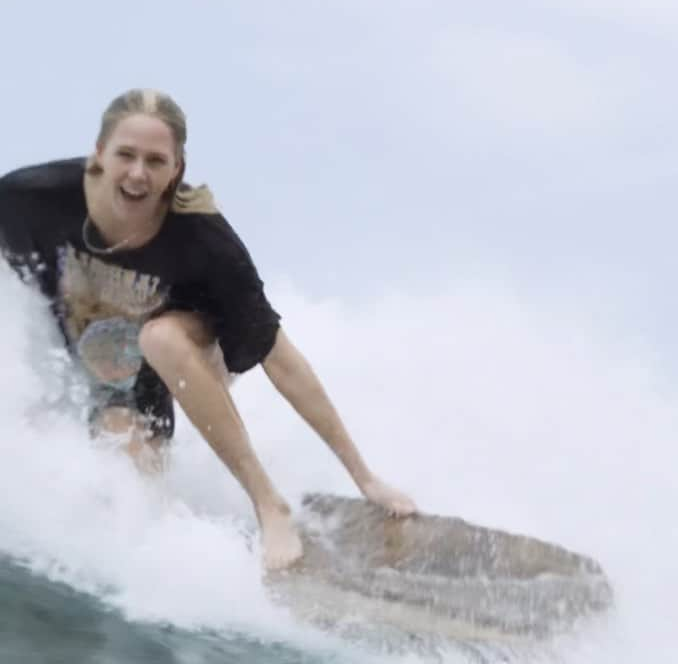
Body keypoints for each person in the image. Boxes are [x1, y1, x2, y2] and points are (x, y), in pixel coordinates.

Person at [0, 88, 416, 569]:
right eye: (126, 155)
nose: (138, 174)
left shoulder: (203, 241)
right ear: (99, 154)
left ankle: (268, 503)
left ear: (176, 169)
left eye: (156, 161)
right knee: (131, 500)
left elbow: (281, 362)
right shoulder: (29, 200)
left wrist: (364, 478)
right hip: (103, 376)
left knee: (160, 338)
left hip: (187, 351)